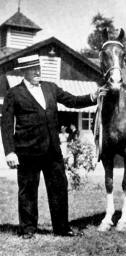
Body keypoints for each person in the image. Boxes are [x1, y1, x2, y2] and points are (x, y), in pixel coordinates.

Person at [1, 54, 107, 239]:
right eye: (33, 69)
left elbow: (72, 101)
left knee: (58, 188)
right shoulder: (13, 94)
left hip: (52, 151)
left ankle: (62, 228)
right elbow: (7, 125)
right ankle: (27, 229)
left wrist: (93, 96)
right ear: (24, 72)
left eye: (38, 68)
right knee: (27, 190)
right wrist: (10, 151)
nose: (37, 72)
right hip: (27, 151)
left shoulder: (50, 88)